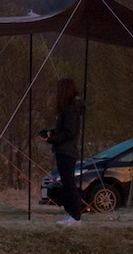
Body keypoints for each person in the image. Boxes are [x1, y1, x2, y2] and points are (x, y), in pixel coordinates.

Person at [40, 77, 84, 225]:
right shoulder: (68, 109)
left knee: (69, 184)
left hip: (67, 152)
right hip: (63, 151)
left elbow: (69, 133)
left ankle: (75, 216)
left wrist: (51, 139)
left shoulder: (71, 109)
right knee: (67, 183)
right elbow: (62, 130)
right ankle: (72, 214)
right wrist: (50, 133)